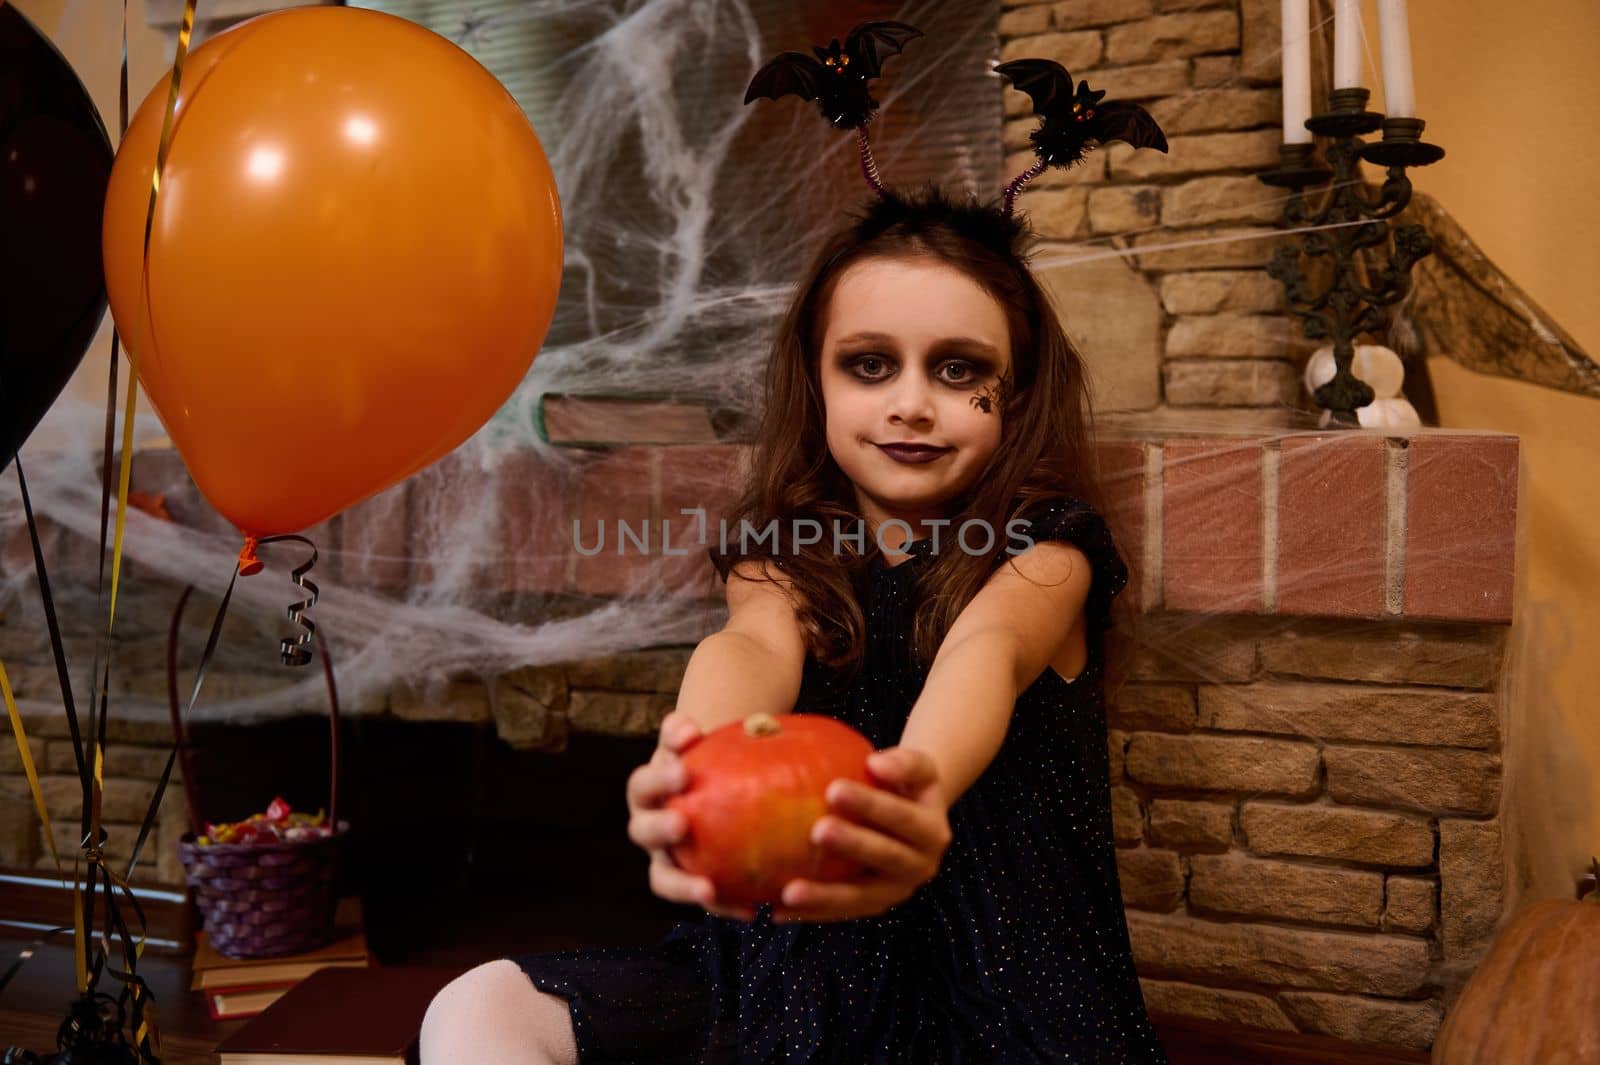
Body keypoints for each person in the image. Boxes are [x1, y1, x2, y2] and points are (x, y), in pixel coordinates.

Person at [421, 21, 1171, 1064]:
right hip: (795, 965)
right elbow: (748, 650)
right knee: (473, 1011)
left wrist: (907, 790)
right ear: (814, 380)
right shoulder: (789, 547)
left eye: (957, 370)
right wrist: (698, 765)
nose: (910, 403)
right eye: (870, 365)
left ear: (1018, 396)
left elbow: (985, 656)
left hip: (1001, 988)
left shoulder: (1044, 545)